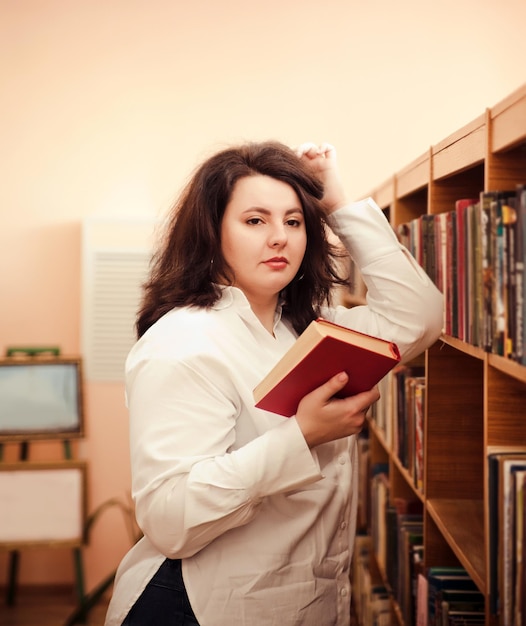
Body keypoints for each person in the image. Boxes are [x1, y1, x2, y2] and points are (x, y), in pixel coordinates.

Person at [105, 141, 443, 626]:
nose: (279, 237)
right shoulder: (182, 343)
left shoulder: (307, 326)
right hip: (196, 606)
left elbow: (420, 317)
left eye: (294, 221)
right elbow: (168, 519)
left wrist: (338, 203)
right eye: (255, 220)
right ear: (211, 231)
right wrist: (300, 436)